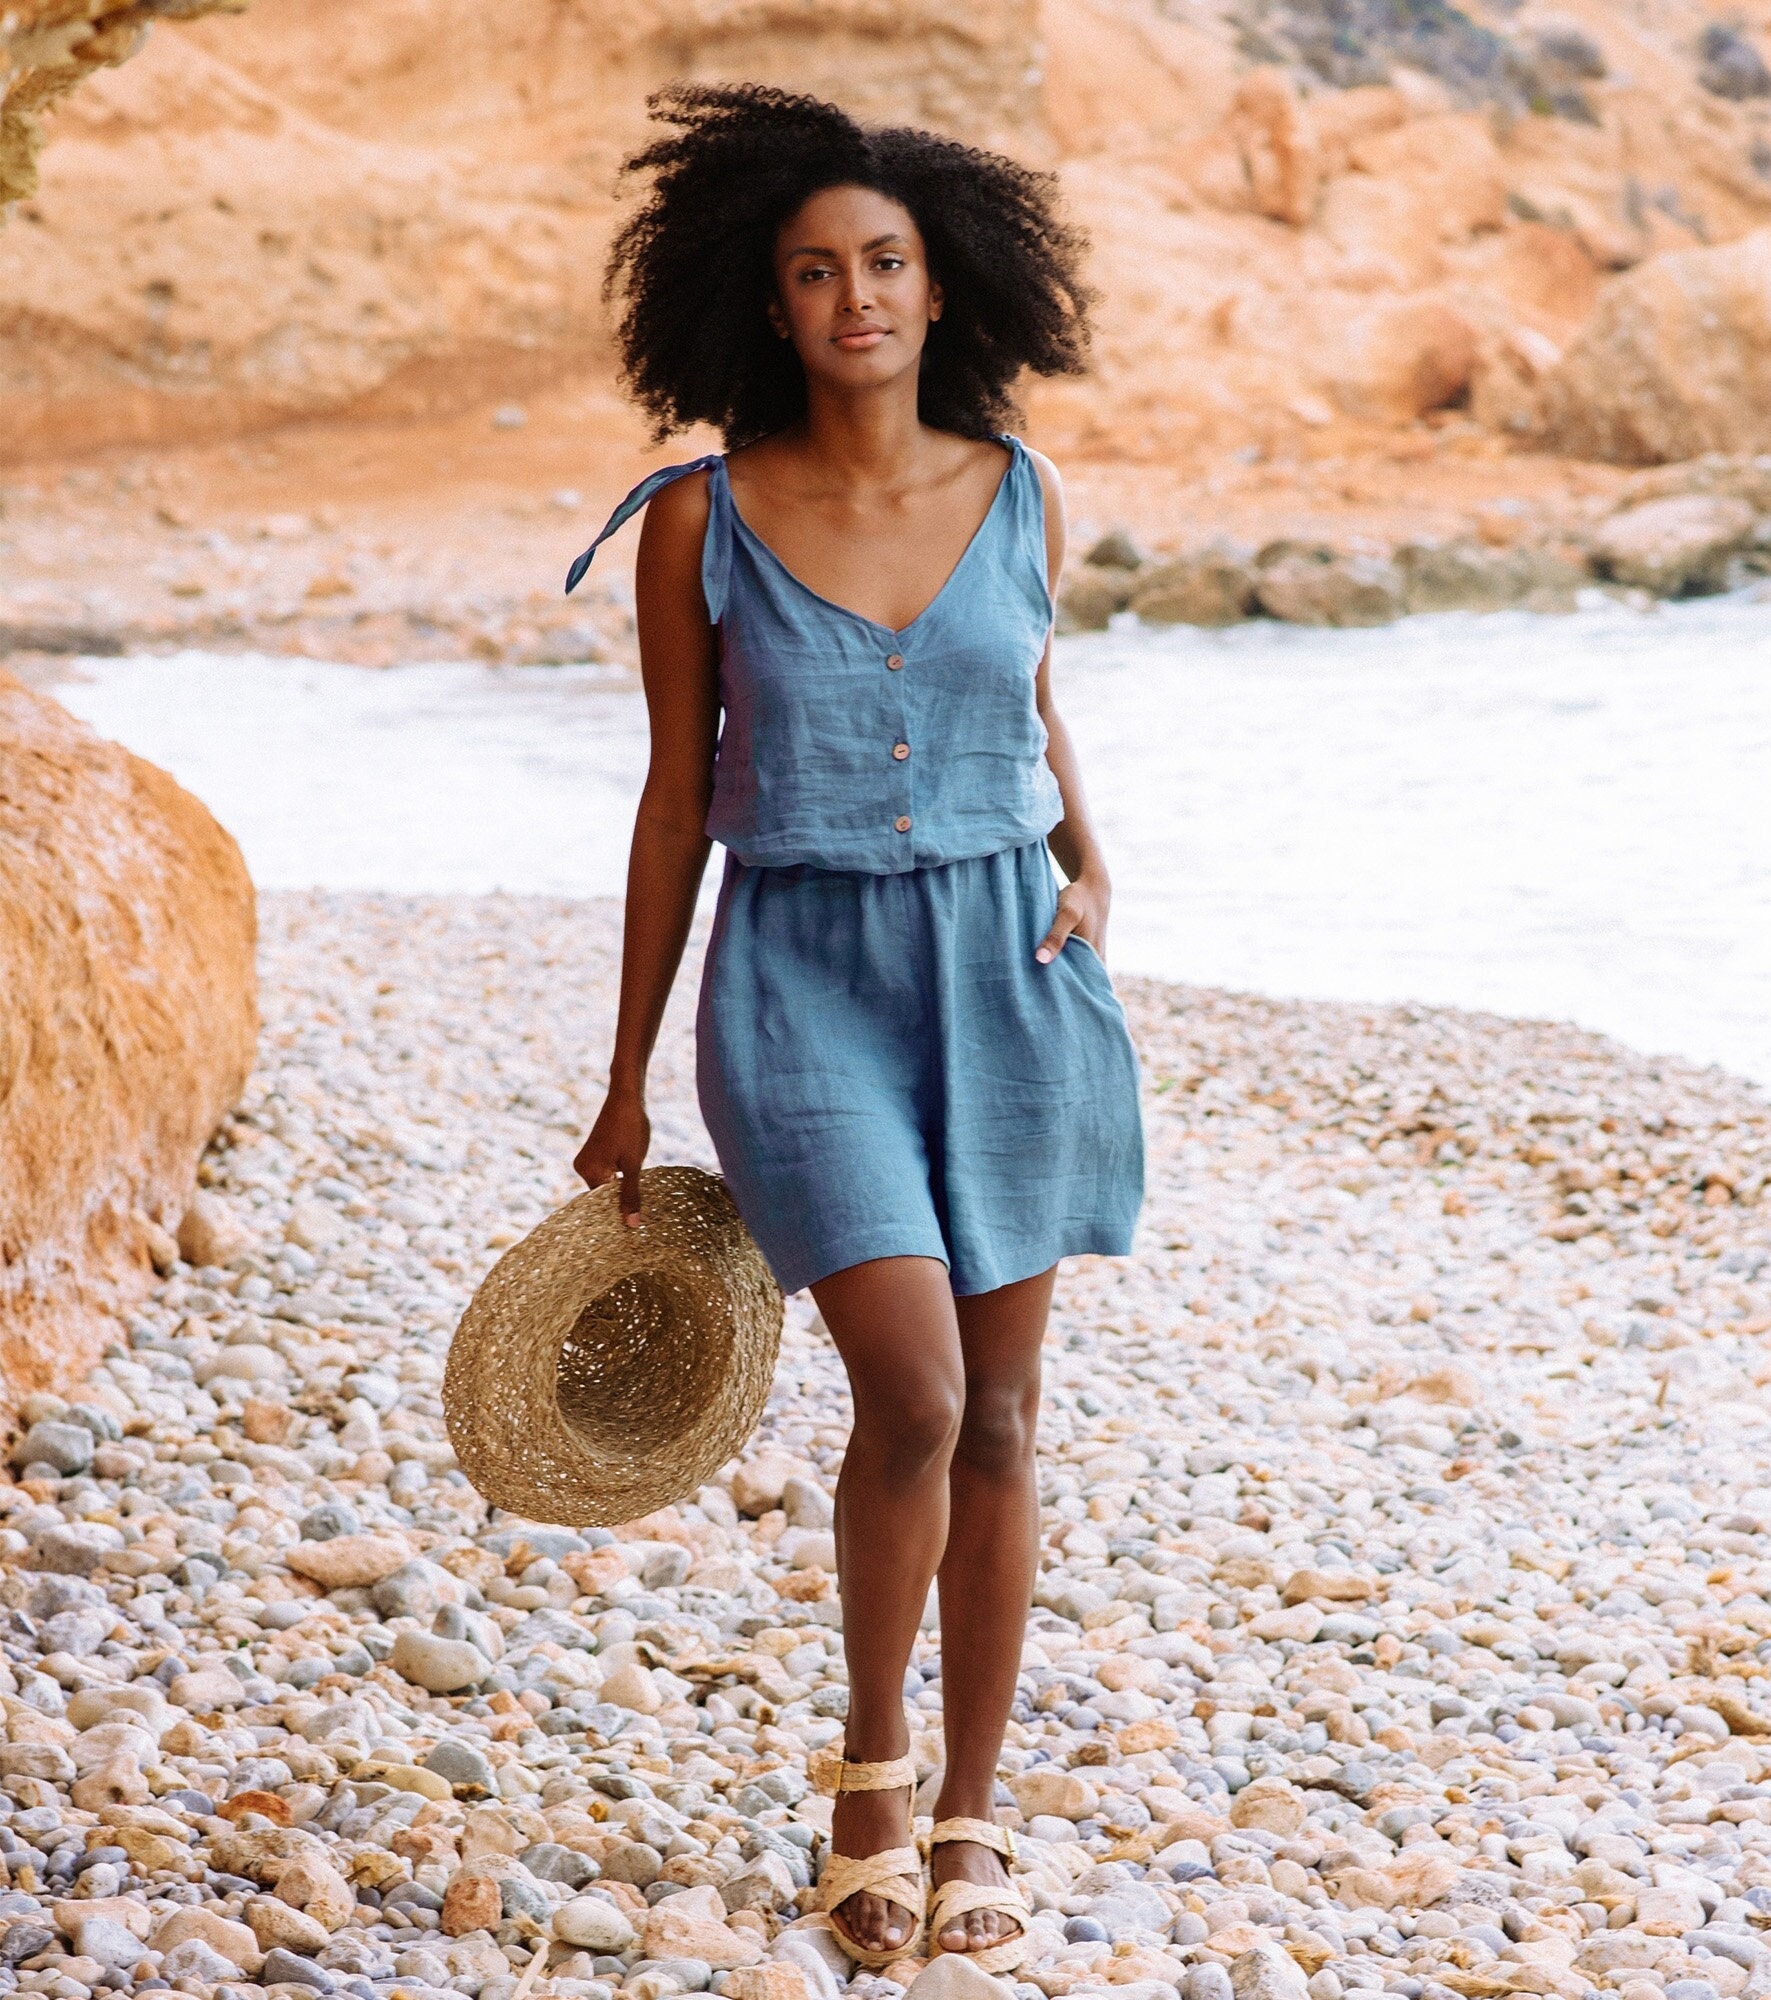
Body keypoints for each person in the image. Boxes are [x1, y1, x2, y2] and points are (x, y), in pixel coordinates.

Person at [567, 84, 1146, 1973]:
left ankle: (969, 1816)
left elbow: (1030, 705)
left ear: (945, 281)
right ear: (768, 300)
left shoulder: (1025, 490)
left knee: (1002, 1412)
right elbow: (673, 802)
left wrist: (1098, 864)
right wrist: (628, 1072)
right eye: (816, 271)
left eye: (886, 262)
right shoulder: (699, 522)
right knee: (908, 1391)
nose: (858, 298)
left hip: (1010, 971)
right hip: (796, 974)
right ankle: (869, 1777)